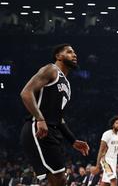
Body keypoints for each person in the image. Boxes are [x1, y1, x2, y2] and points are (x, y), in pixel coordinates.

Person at [20, 44, 90, 185]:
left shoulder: (67, 85)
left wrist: (73, 140)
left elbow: (59, 118)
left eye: (75, 53)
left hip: (52, 131)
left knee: (58, 180)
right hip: (38, 129)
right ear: (58, 56)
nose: (74, 55)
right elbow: (26, 92)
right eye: (69, 52)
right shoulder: (51, 69)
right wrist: (40, 118)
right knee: (59, 180)